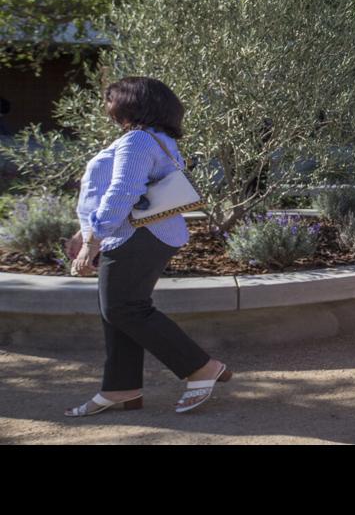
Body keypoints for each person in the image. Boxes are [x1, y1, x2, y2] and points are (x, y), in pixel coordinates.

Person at [63, 76, 233, 417]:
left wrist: (91, 242)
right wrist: (86, 232)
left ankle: (201, 367)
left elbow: (122, 194)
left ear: (131, 103)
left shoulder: (137, 140)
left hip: (136, 236)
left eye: (111, 100)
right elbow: (113, 193)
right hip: (138, 234)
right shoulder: (153, 139)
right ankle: (120, 389)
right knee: (118, 313)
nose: (107, 107)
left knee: (125, 309)